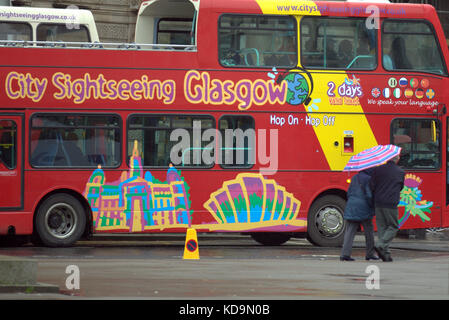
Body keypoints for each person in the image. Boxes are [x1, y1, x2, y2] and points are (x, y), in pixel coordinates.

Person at [369, 155, 405, 262]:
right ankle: (381, 245)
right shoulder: (400, 172)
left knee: (382, 228)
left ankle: (385, 254)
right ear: (397, 159)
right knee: (393, 226)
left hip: (378, 202)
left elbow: (372, 185)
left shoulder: (377, 170)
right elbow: (401, 187)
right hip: (391, 203)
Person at [340, 168, 378, 261]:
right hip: (364, 207)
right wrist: (372, 206)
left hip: (352, 206)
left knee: (350, 231)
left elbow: (349, 192)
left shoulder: (354, 178)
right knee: (368, 231)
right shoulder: (368, 179)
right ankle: (370, 253)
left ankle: (345, 254)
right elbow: (369, 195)